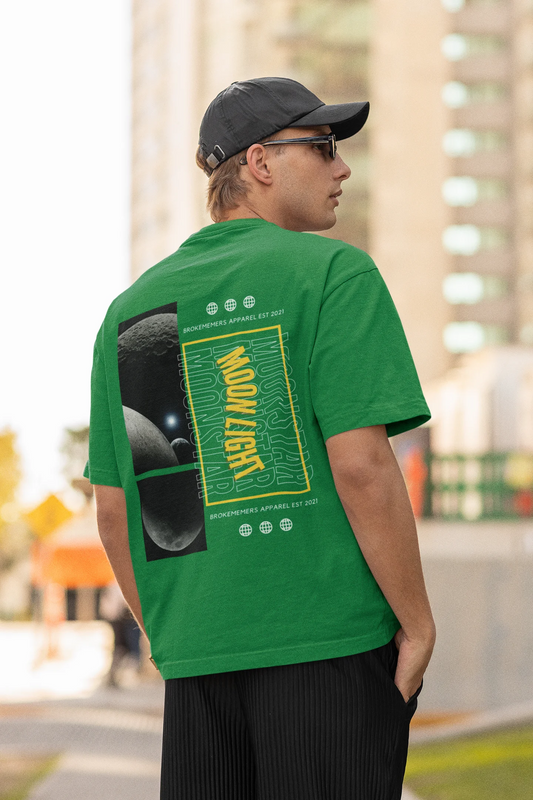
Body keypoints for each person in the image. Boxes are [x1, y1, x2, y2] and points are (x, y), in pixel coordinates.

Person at [85, 76, 436, 800]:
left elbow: (117, 510)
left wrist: (169, 638)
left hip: (200, 660)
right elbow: (363, 467)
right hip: (329, 643)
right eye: (323, 147)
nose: (342, 168)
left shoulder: (130, 312)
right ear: (259, 162)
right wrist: (417, 622)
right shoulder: (333, 273)